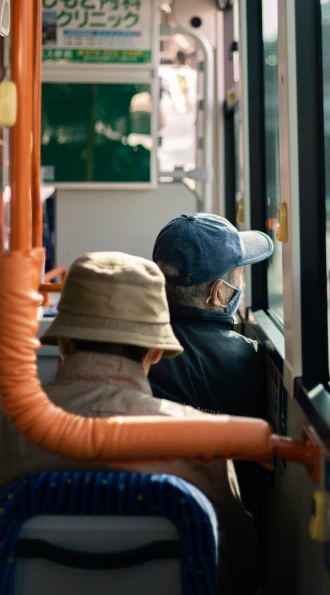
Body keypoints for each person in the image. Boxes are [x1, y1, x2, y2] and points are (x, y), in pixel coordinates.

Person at [0, 251, 259, 594]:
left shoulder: (8, 428)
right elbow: (240, 569)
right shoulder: (201, 442)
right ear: (155, 353)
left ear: (62, 342)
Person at [149, 213, 274, 420]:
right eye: (239, 276)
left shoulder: (139, 347)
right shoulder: (247, 359)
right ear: (217, 294)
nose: (241, 284)